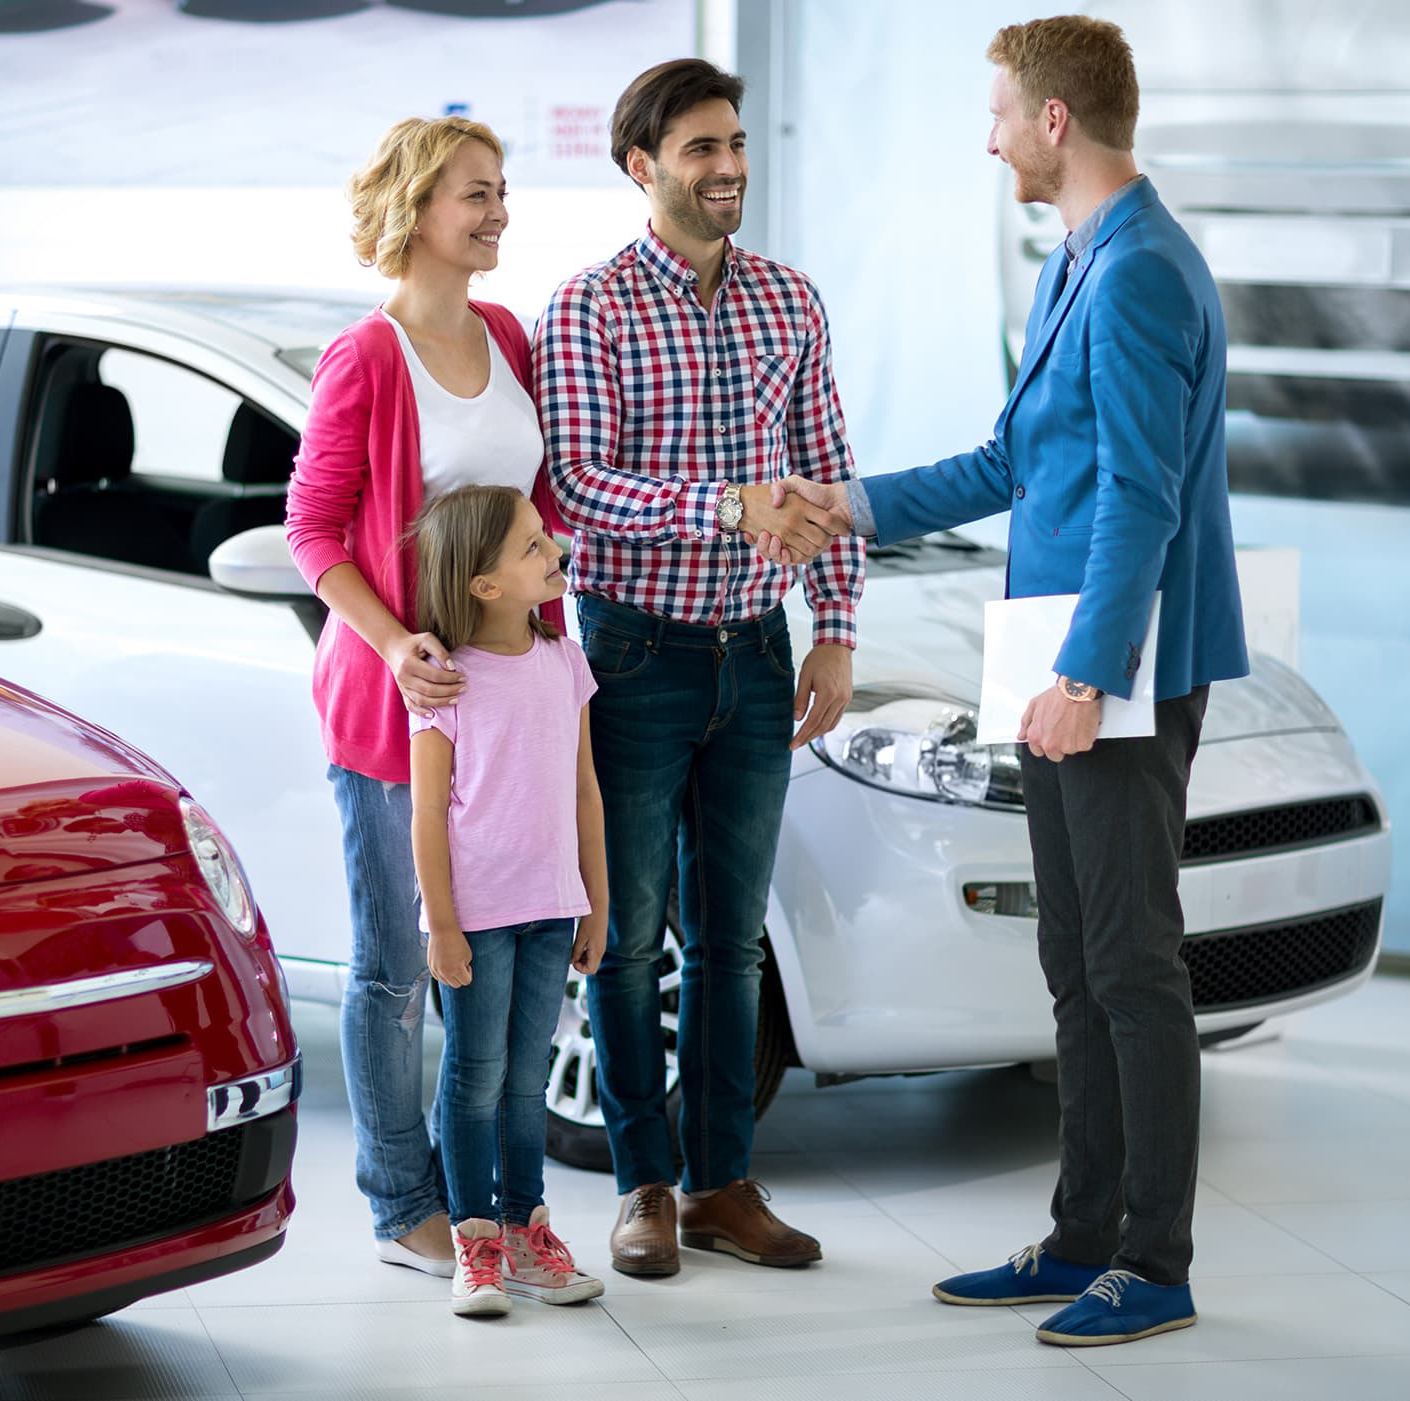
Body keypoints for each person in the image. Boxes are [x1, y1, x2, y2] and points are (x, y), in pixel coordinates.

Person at [760, 15, 1248, 1347]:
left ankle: (1154, 1260)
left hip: (1116, 663)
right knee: (1074, 960)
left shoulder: (1143, 270)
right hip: (1056, 647)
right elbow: (1012, 463)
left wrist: (1089, 675)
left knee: (1133, 965)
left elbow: (1140, 500)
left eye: (996, 113)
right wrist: (837, 501)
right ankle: (1084, 1232)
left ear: (1051, 121)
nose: (983, 137)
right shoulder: (1078, 265)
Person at [533, 57, 865, 1278]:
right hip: (633, 654)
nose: (728, 168)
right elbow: (578, 492)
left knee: (731, 943)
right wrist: (725, 509)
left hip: (758, 657)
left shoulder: (791, 300)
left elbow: (826, 469)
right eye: (699, 151)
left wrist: (833, 624)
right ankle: (643, 1188)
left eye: (735, 144)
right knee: (626, 941)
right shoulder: (591, 308)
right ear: (642, 168)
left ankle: (725, 1182)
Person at [285, 116, 567, 1277]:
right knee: (400, 965)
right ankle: (401, 1196)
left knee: (492, 957)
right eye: (474, 195)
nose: (498, 212)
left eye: (502, 192)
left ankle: (482, 1202)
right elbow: (311, 531)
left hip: (505, 703)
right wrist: (399, 643)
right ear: (415, 208)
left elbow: (535, 511)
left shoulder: (505, 332)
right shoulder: (365, 356)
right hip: (399, 703)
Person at [406, 484, 609, 1317]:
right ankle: (476, 1239)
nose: (553, 547)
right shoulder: (444, 683)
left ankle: (528, 1231)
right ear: (484, 586)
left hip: (550, 904)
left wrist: (595, 903)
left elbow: (587, 792)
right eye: (532, 545)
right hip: (478, 917)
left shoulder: (566, 662)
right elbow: (426, 813)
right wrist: (443, 922)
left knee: (527, 1078)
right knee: (473, 1075)